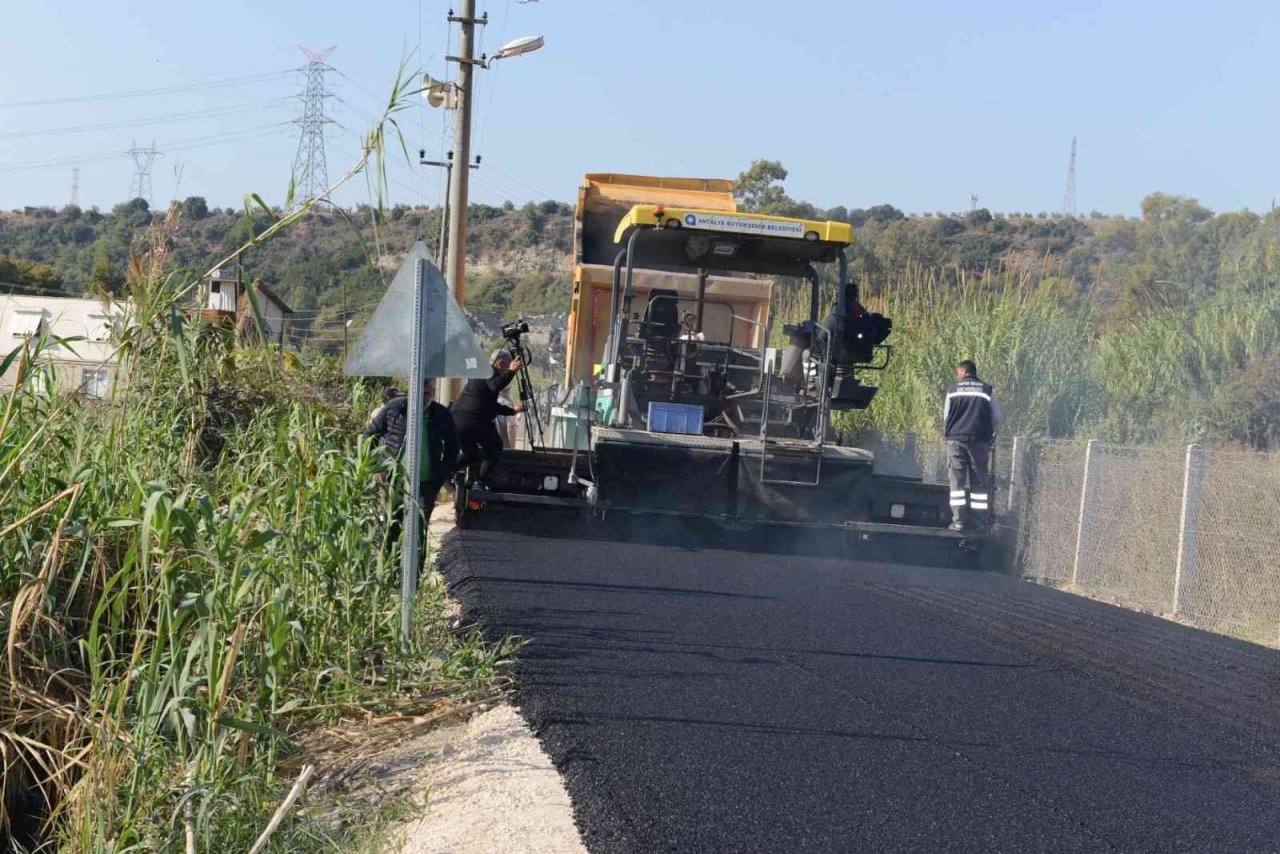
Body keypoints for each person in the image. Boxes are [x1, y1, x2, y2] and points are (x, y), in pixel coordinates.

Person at [363, 379, 460, 543]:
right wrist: (376, 467)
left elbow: (453, 447)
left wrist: (442, 473)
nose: (422, 398)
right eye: (418, 393)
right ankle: (391, 560)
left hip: (426, 483)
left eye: (427, 393)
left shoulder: (441, 414)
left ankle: (416, 561)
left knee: (419, 535)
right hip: (393, 482)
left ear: (433, 393)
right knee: (390, 531)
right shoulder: (394, 408)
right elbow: (369, 436)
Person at [451, 349, 525, 492]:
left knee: (470, 454)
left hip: (458, 421)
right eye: (506, 367)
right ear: (499, 363)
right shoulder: (488, 372)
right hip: (473, 421)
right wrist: (511, 372)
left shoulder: (481, 374)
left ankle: (447, 471)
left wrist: (513, 411)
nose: (505, 371)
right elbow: (496, 385)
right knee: (495, 446)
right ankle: (480, 481)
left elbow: (491, 406)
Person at [943, 359, 1002, 532]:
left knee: (956, 483)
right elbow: (997, 418)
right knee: (979, 484)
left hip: (955, 441)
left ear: (962, 372)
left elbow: (946, 417)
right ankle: (979, 524)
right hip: (979, 441)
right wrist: (991, 435)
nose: (957, 376)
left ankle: (959, 522)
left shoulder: (952, 390)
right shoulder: (987, 390)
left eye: (958, 373)